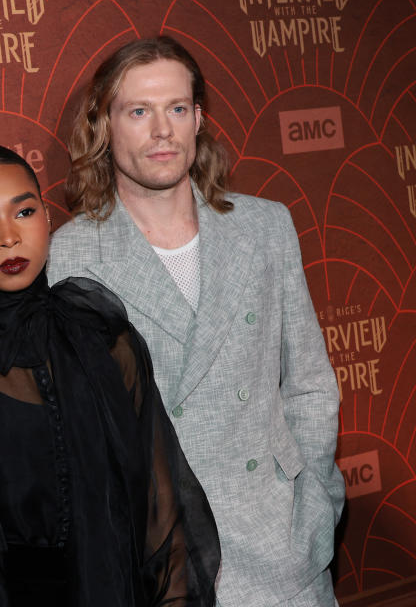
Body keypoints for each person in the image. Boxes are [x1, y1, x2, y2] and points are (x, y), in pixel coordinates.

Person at [49, 36, 345, 606]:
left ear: (198, 119)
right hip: (168, 562)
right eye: (139, 111)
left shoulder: (265, 227)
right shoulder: (71, 257)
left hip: (284, 547)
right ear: (105, 126)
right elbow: (78, 438)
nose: (162, 130)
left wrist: (315, 507)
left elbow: (310, 383)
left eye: (177, 109)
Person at [0, 144, 220, 606]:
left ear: (46, 217)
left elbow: (160, 511)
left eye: (23, 211)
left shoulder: (106, 338)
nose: (8, 237)